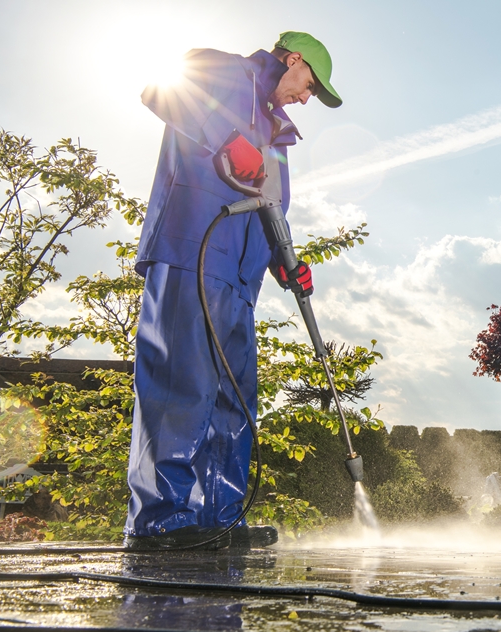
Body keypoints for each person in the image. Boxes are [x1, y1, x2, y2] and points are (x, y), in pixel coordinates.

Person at [123, 32, 343, 550]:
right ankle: (160, 520)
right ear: (293, 60)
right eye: (310, 85)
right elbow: (161, 89)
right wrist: (226, 137)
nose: (307, 99)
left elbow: (273, 211)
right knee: (182, 384)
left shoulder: (279, 134)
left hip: (241, 279)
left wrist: (286, 263)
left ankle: (219, 516)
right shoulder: (220, 71)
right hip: (190, 250)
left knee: (233, 398)